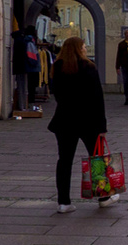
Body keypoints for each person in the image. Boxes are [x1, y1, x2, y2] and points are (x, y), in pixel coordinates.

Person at [48, 36, 111, 213]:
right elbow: (97, 98)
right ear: (77, 49)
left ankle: (63, 202)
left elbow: (57, 94)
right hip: (88, 121)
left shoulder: (58, 67)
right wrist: (102, 125)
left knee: (64, 161)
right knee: (96, 158)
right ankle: (103, 196)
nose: (85, 49)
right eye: (83, 46)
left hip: (64, 120)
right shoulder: (88, 67)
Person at [10, 24, 33, 117]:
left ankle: (22, 105)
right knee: (22, 86)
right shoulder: (22, 41)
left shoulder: (16, 41)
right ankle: (22, 105)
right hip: (22, 67)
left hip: (18, 66)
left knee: (20, 85)